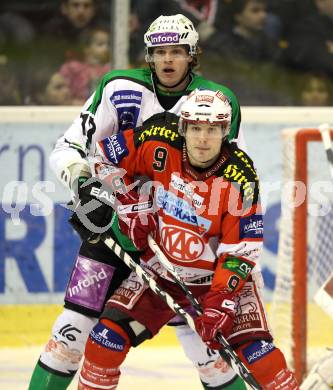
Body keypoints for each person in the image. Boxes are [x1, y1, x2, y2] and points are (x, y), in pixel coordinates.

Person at [29, 14, 245, 390]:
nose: (167, 59)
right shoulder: (118, 87)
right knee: (70, 332)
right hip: (115, 228)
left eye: (177, 51)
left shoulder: (216, 100)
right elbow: (69, 147)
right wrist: (83, 186)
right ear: (148, 55)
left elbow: (223, 177)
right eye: (160, 51)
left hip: (178, 241)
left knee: (205, 348)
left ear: (192, 55)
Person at [74, 88, 299, 389]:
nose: (203, 138)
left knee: (259, 358)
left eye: (212, 129)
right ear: (183, 128)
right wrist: (126, 197)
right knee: (104, 342)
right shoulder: (157, 139)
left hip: (217, 280)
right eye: (195, 128)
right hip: (162, 269)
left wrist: (220, 302)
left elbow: (241, 251)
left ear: (225, 130)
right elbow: (102, 157)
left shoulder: (240, 177)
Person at [59, 27, 111, 105]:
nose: (106, 48)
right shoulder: (72, 68)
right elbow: (62, 90)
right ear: (87, 48)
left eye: (108, 44)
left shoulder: (109, 69)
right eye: (100, 44)